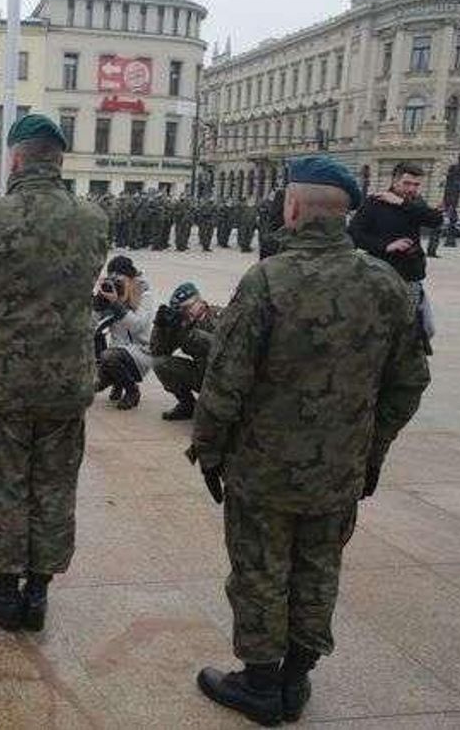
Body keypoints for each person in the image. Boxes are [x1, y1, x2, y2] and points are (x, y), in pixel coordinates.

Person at [190, 156, 430, 726]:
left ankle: (260, 684)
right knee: (318, 569)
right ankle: (295, 680)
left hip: (264, 470)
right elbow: (409, 382)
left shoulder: (268, 279)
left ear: (293, 206)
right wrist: (372, 450)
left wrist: (209, 448)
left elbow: (225, 380)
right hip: (340, 469)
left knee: (260, 570)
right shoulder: (386, 283)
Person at [0, 114, 107, 633]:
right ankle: (38, 593)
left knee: (4, 481)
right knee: (55, 484)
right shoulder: (92, 220)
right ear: (58, 159)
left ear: (15, 158)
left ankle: (7, 592)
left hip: (4, 381)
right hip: (67, 381)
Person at [348, 162, 443, 353]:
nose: (412, 189)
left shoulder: (415, 204)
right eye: (407, 183)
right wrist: (386, 246)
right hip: (379, 277)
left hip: (410, 276)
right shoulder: (375, 202)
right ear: (394, 180)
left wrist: (401, 203)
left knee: (410, 328)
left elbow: (435, 220)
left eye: (416, 185)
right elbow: (354, 235)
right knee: (377, 327)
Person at [150, 282, 222, 421]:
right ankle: (187, 405)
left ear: (199, 301)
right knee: (160, 364)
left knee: (213, 422)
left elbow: (222, 348)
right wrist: (160, 327)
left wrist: (190, 334)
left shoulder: (220, 316)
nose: (184, 312)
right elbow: (157, 352)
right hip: (202, 375)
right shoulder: (183, 323)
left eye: (187, 307)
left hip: (223, 380)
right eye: (180, 310)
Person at [94, 255, 155, 411]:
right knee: (93, 385)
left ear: (130, 278)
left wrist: (116, 304)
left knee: (109, 356)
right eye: (112, 280)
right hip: (116, 352)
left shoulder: (144, 295)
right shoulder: (112, 293)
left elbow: (137, 326)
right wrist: (97, 306)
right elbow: (92, 327)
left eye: (119, 280)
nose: (116, 284)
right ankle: (118, 381)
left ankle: (132, 390)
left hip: (140, 354)